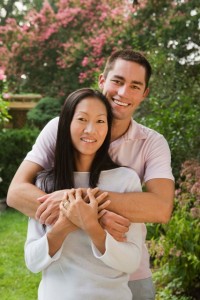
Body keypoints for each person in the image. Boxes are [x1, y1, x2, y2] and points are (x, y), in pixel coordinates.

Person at [7, 49, 175, 299]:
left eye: (134, 86)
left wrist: (85, 203)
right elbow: (16, 193)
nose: (122, 93)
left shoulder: (152, 143)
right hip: (66, 282)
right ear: (102, 80)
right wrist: (92, 216)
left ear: (144, 93)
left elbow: (160, 209)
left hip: (131, 275)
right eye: (117, 81)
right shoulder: (60, 129)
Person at [24, 88, 143, 300]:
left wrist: (91, 225)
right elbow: (32, 261)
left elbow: (131, 261)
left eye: (100, 121)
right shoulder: (45, 183)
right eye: (82, 119)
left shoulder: (125, 180)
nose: (91, 130)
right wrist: (66, 223)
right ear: (66, 123)